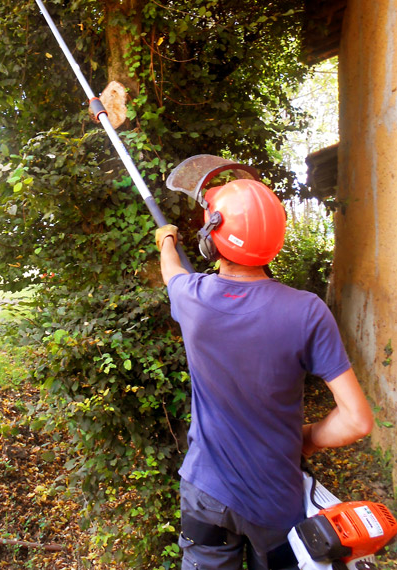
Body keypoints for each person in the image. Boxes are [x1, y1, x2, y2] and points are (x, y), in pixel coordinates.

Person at [155, 177, 374, 570]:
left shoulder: (192, 297)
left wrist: (166, 240)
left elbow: (172, 273)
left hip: (206, 491)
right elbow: (356, 421)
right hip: (275, 500)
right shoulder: (307, 312)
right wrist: (305, 438)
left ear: (212, 237)